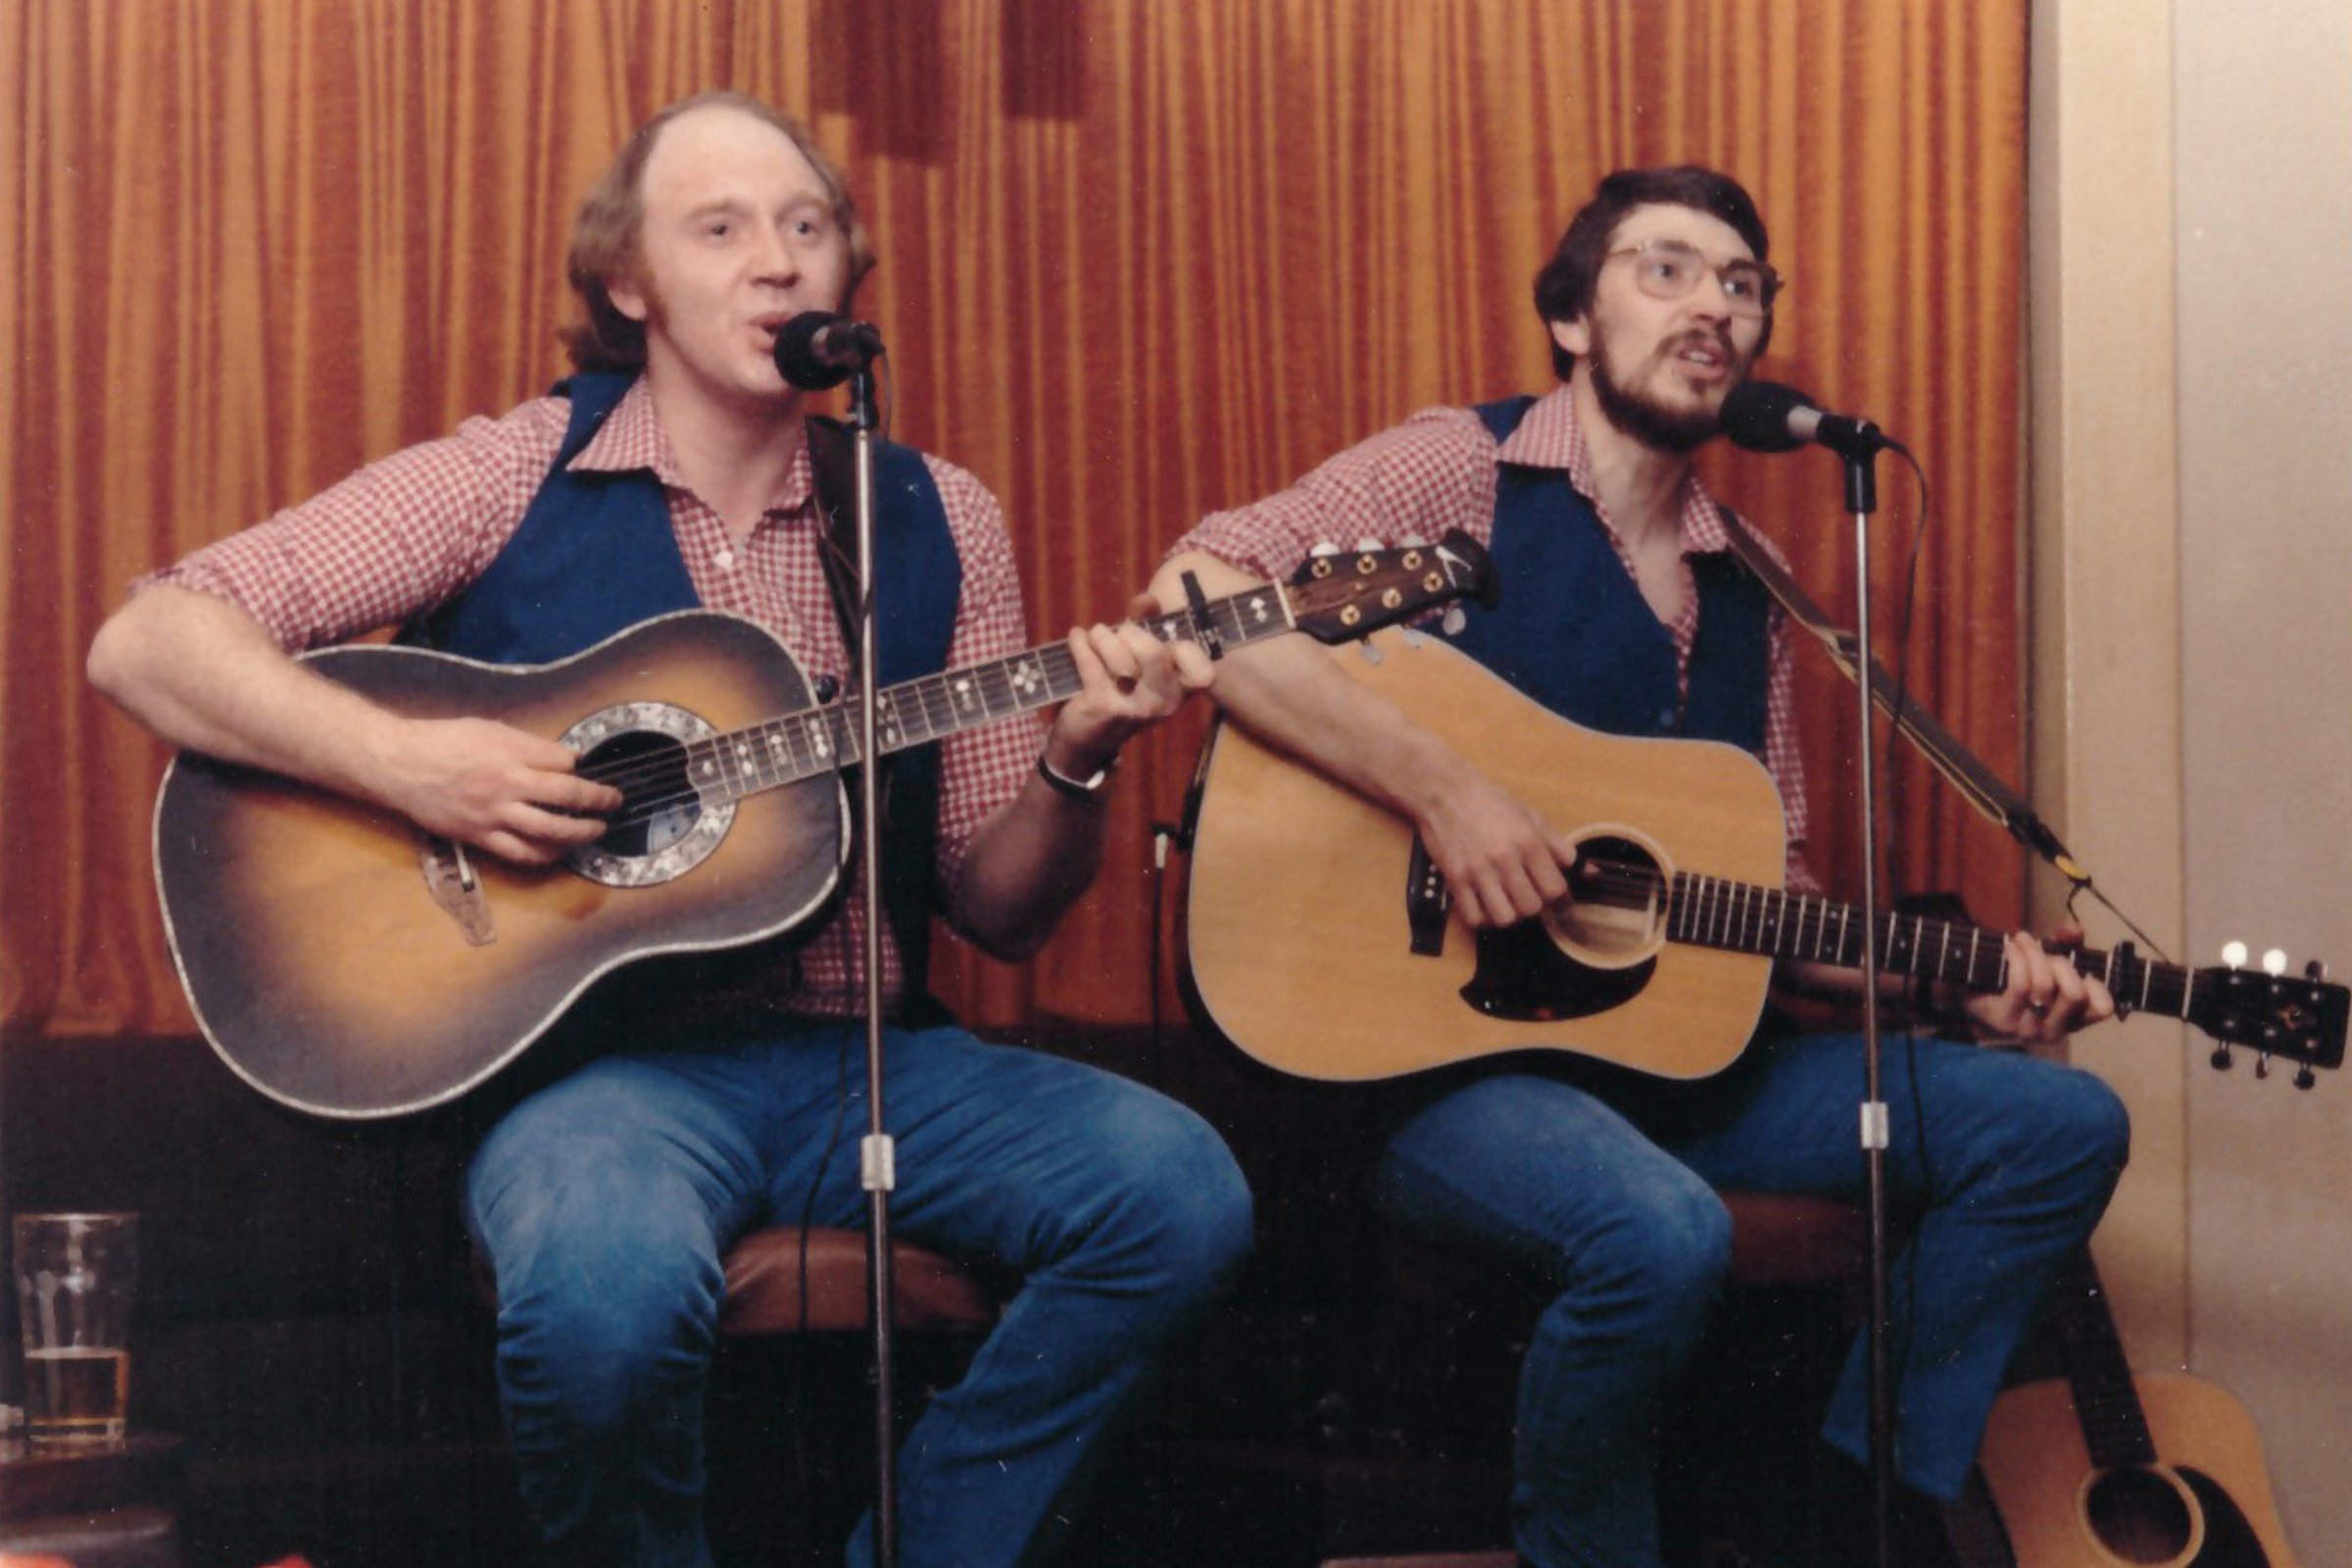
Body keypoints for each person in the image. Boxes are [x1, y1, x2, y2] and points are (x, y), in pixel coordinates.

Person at [89, 90, 1252, 1568]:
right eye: (722, 228)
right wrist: (414, 769)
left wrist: (1081, 757)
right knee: (603, 1299)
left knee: (1180, 1196)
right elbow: (151, 644)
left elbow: (998, 906)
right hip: (610, 1080)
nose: (778, 261)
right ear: (629, 282)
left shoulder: (932, 510)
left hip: (876, 1069)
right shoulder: (513, 472)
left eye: (809, 226)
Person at [1152, 166, 2131, 1568]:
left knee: (2057, 1128)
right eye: (1667, 271)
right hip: (1439, 1071)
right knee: (1659, 1233)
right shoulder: (1461, 467)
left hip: (1675, 1066)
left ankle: (1848, 1509)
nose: (1713, 308)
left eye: (1742, 283)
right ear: (1569, 315)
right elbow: (1194, 593)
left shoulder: (1756, 575)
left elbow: (1767, 904)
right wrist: (1448, 794)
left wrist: (1948, 991)